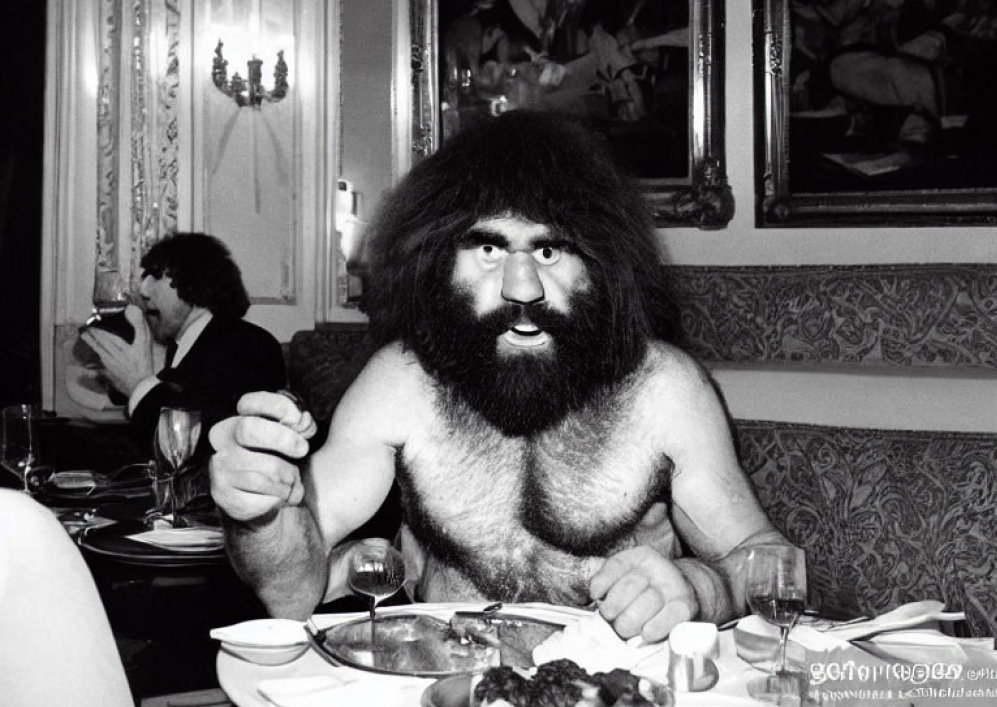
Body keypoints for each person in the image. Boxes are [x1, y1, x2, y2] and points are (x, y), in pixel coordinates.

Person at [209, 110, 788, 643]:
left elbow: (780, 567)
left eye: (550, 251)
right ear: (440, 258)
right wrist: (258, 513)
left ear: (601, 263)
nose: (521, 287)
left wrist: (698, 588)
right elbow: (291, 593)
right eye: (488, 247)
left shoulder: (662, 389)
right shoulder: (402, 384)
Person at [80, 232, 287, 455]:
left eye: (156, 276)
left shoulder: (248, 344)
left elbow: (202, 446)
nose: (143, 290)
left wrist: (138, 385)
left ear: (195, 281)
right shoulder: (187, 344)